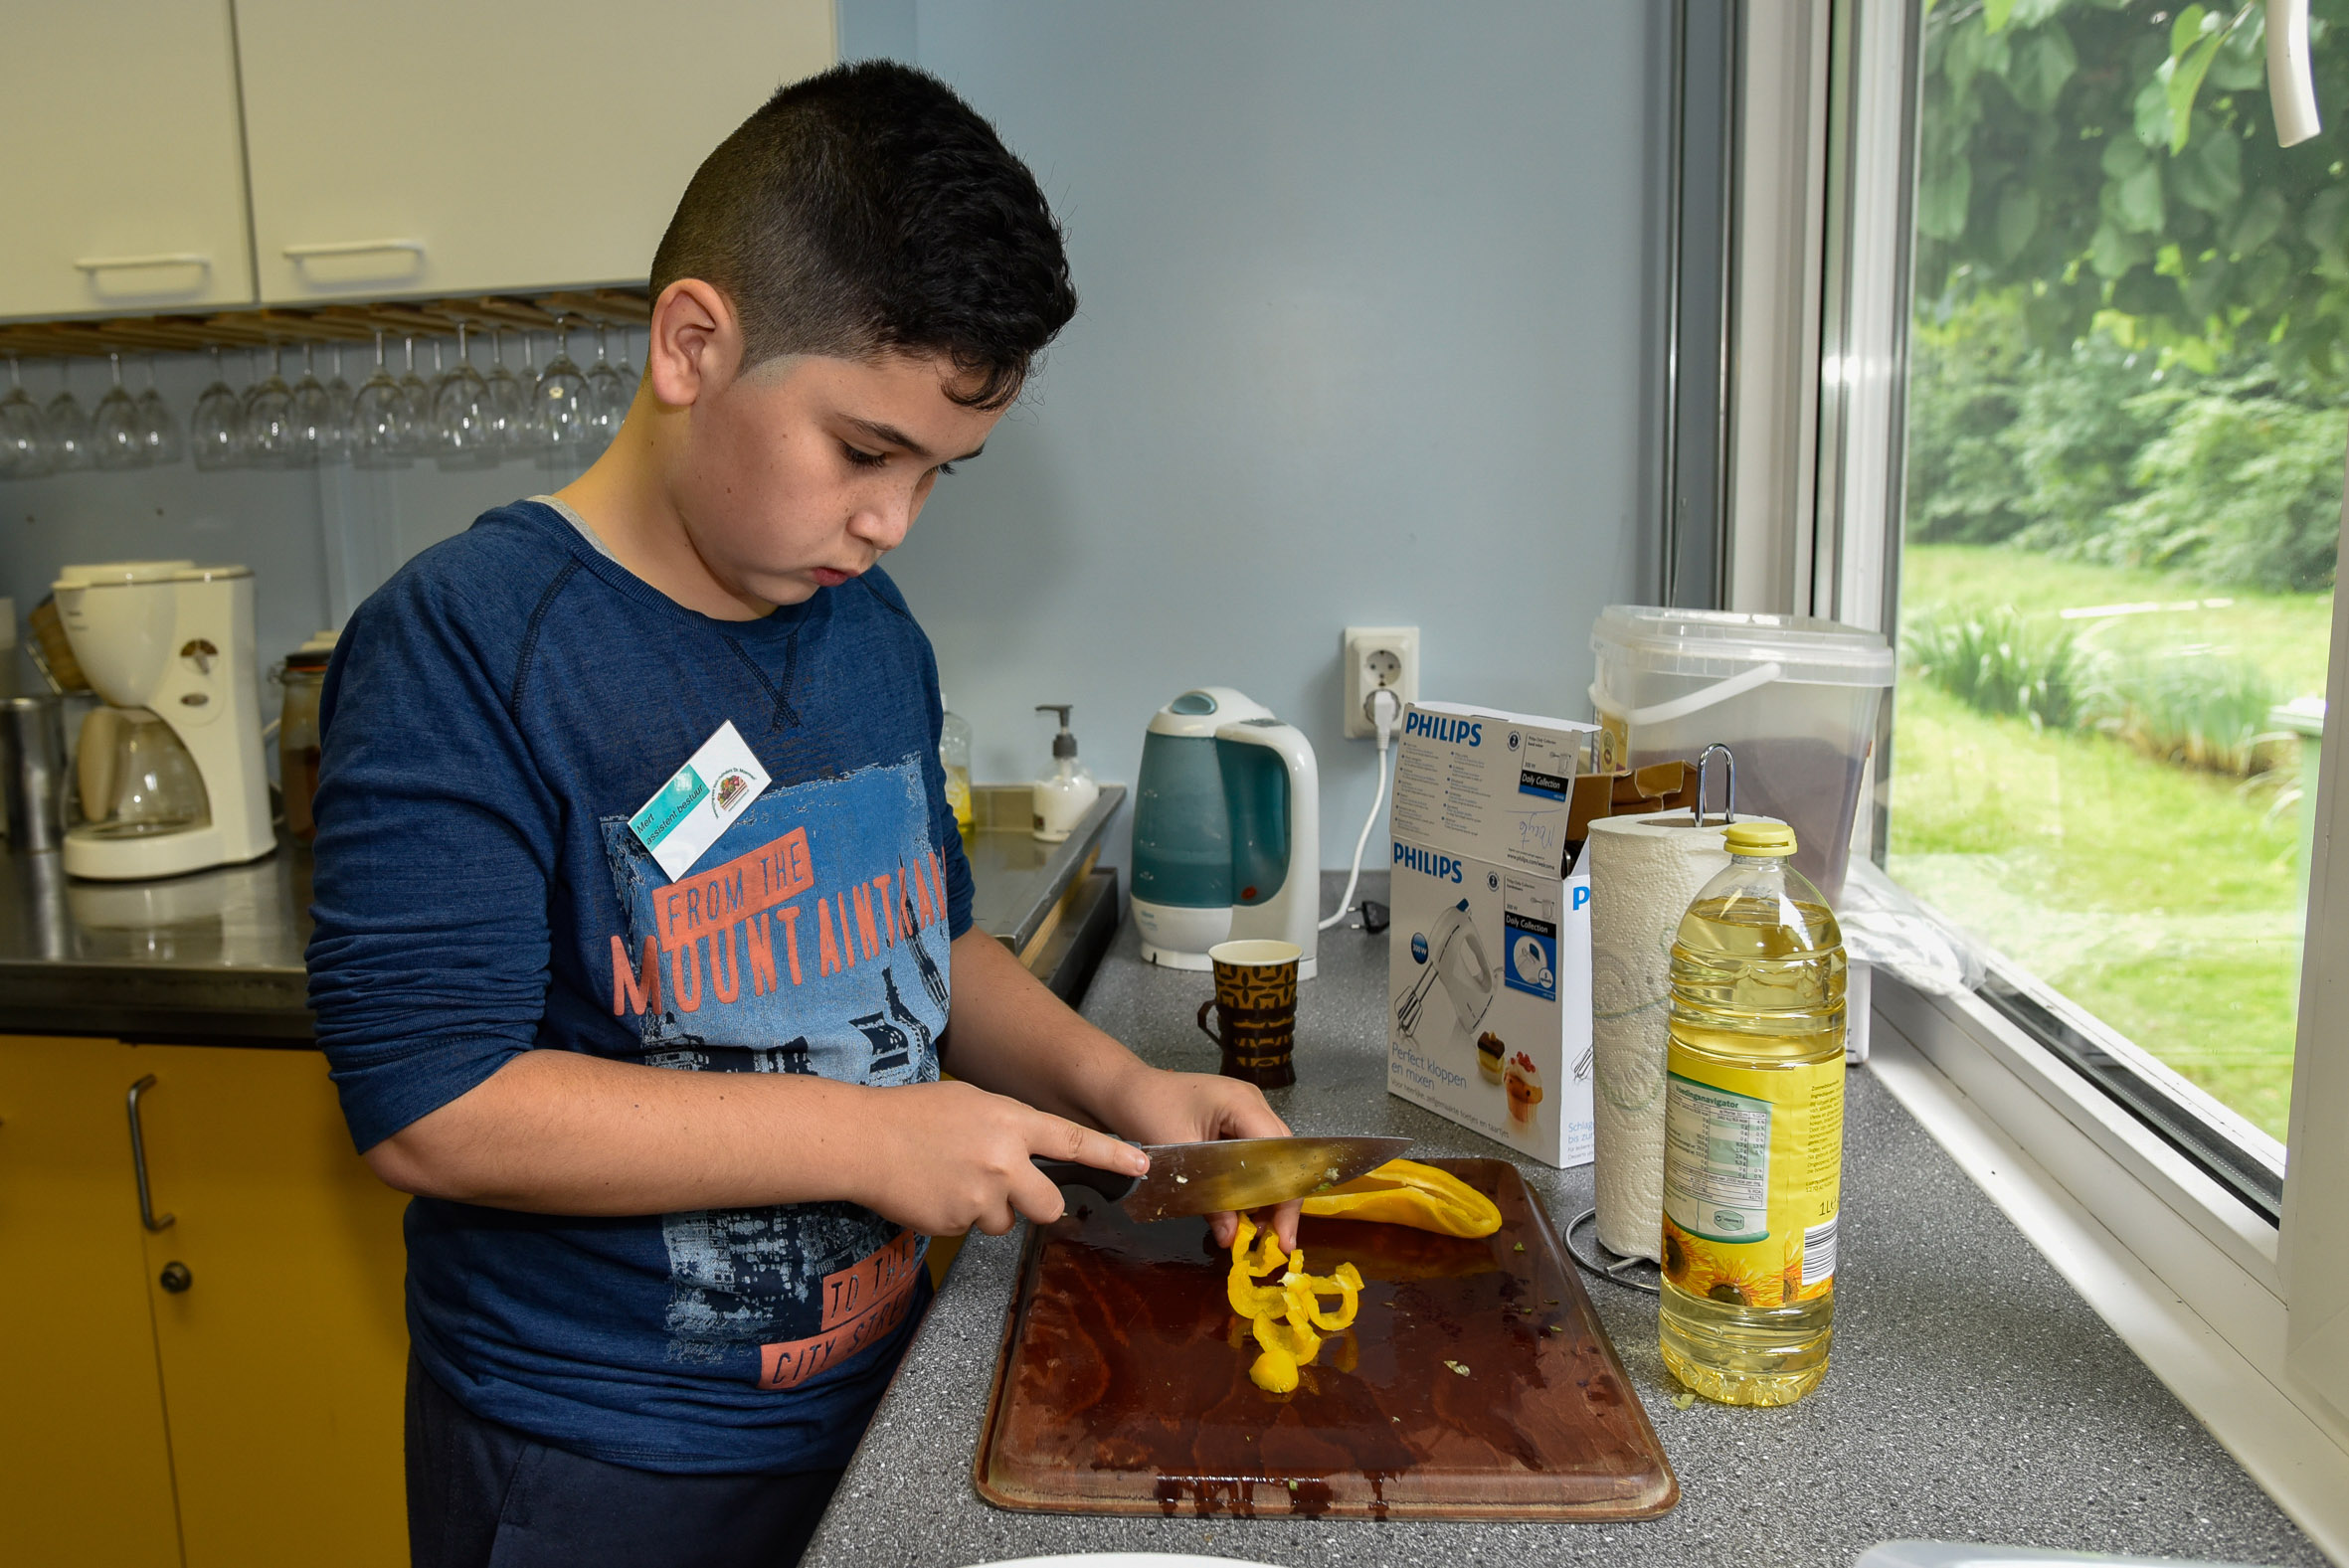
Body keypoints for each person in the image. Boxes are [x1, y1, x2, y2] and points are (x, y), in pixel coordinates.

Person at [306, 61, 1297, 1568]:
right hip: (594, 1465)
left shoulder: (867, 629)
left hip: (877, 1400)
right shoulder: (465, 640)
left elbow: (928, 946)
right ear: (692, 344)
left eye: (938, 474)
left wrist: (1122, 1086)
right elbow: (434, 1106)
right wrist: (868, 1137)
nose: (890, 521)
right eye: (862, 450)